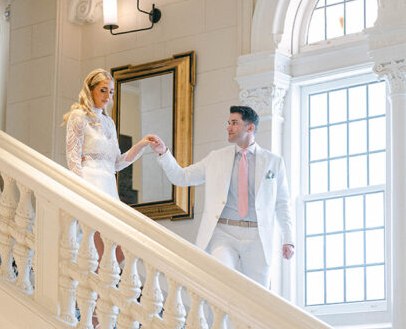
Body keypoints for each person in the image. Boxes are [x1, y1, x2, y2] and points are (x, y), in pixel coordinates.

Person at [150, 105, 294, 287]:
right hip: (223, 233)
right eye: (228, 123)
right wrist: (164, 153)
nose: (228, 127)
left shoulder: (274, 162)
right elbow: (182, 177)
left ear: (250, 128)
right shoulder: (216, 158)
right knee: (219, 282)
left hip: (258, 235)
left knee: (258, 294)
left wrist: (288, 239)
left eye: (234, 123)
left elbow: (282, 203)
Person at [64, 68, 155, 199]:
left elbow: (117, 163)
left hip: (109, 186)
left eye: (111, 92)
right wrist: (80, 191)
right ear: (90, 90)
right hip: (89, 182)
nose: (107, 97)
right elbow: (73, 159)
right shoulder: (79, 116)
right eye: (103, 90)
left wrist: (141, 145)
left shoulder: (109, 123)